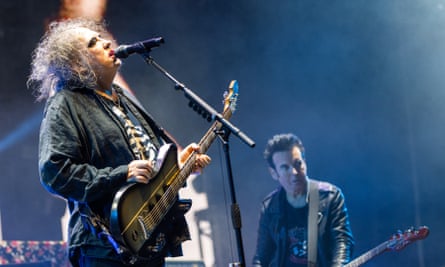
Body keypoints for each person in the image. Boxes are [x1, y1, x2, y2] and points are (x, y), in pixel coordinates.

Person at [27, 18, 211, 267]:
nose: (105, 42)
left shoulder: (122, 97)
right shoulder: (66, 103)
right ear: (76, 64)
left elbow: (146, 162)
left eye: (102, 37)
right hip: (104, 245)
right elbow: (55, 172)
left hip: (147, 238)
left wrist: (177, 165)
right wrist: (121, 174)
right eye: (93, 43)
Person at [252, 133, 354, 267]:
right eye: (285, 167)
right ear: (274, 173)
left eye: (297, 164)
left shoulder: (330, 197)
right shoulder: (270, 206)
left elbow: (342, 242)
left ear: (305, 163)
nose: (294, 172)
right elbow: (262, 256)